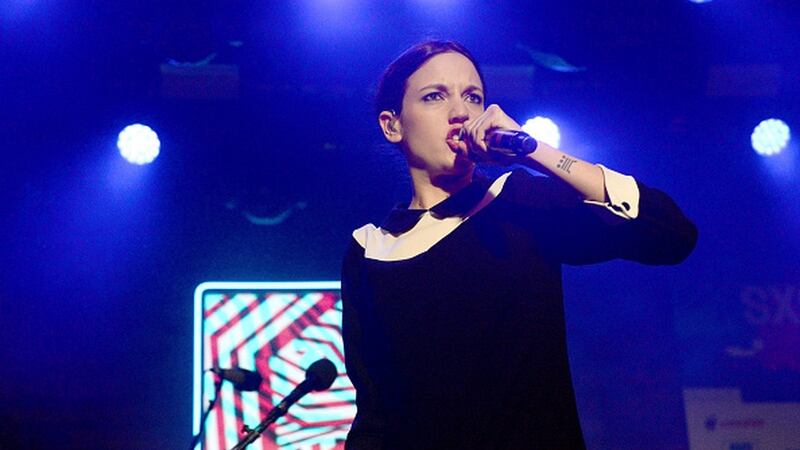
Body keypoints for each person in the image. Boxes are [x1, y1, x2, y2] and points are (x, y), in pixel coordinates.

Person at [340, 40, 697, 449]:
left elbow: (670, 234)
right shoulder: (370, 250)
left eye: (472, 97)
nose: (460, 112)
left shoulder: (515, 202)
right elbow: (376, 414)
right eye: (435, 96)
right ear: (393, 125)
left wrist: (531, 150)